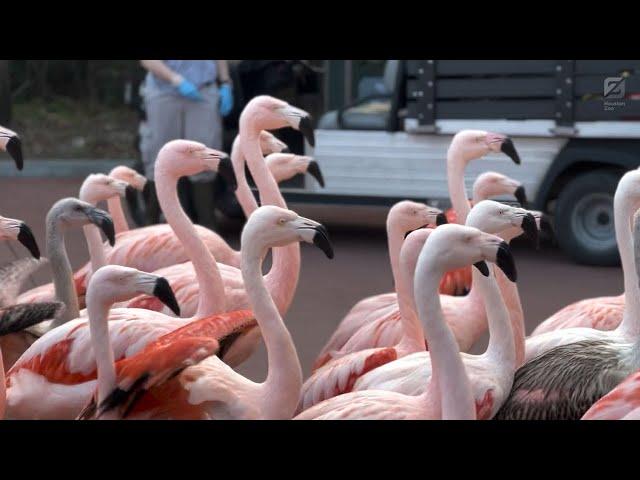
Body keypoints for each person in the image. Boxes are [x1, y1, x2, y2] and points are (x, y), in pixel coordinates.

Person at [139, 60, 233, 227]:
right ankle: (150, 226)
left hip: (204, 91)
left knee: (205, 158)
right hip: (164, 91)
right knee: (158, 159)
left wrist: (225, 82)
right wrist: (177, 80)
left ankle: (208, 229)